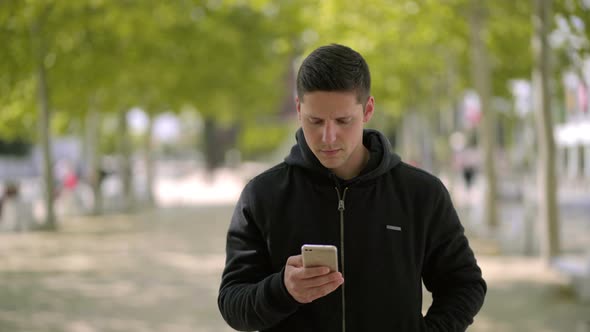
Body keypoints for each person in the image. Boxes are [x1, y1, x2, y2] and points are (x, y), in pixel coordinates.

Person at [218, 44, 486, 331]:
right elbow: (233, 304)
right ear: (298, 109)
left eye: (343, 121)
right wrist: (282, 290)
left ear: (368, 109)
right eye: (315, 121)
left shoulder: (421, 194)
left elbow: (464, 285)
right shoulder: (262, 195)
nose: (328, 137)